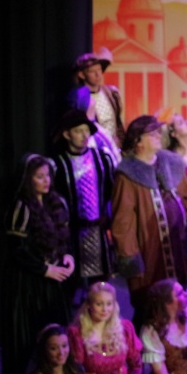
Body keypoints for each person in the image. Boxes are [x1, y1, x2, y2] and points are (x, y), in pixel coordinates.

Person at [110, 116, 187, 327]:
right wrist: (130, 258)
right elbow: (123, 223)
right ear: (138, 142)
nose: (158, 136)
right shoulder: (128, 176)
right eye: (151, 134)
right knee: (150, 305)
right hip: (150, 251)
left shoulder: (173, 164)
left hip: (179, 246)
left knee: (181, 300)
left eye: (158, 132)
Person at [4, 154, 74, 374]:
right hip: (30, 284)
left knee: (57, 332)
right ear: (28, 179)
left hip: (54, 282)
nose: (46, 181)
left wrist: (67, 256)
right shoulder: (22, 207)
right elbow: (16, 250)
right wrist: (45, 269)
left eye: (47, 176)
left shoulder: (56, 203)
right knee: (32, 337)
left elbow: (63, 238)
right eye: (39, 176)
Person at [52, 110, 116, 291]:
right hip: (72, 236)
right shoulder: (58, 164)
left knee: (100, 287)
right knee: (74, 287)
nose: (84, 135)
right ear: (67, 135)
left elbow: (111, 193)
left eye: (86, 130)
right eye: (78, 131)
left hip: (99, 233)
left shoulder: (102, 159)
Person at [67, 282, 148, 374]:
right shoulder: (77, 334)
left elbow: (136, 366)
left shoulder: (125, 329)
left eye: (109, 304)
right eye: (99, 304)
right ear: (89, 305)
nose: (105, 309)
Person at [69, 49, 125, 164]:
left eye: (99, 70)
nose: (98, 74)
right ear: (82, 75)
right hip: (95, 152)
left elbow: (118, 123)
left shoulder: (111, 93)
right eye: (92, 71)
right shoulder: (80, 98)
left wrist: (122, 145)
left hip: (115, 149)